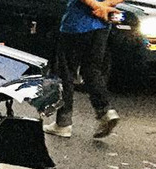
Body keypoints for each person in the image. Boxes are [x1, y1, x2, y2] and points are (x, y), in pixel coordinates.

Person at [44, 0, 122, 139]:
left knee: (65, 72)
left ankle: (63, 123)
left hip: (76, 24)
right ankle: (105, 111)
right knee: (92, 69)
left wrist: (97, 5)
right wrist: (106, 5)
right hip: (102, 25)